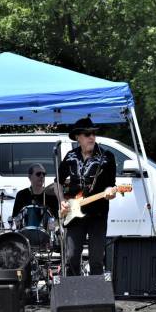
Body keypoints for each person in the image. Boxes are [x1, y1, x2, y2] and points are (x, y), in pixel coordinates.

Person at [56, 117, 116, 276]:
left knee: (96, 259)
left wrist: (110, 193)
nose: (91, 137)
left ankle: (96, 297)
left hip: (98, 214)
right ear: (78, 137)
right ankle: (73, 295)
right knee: (71, 258)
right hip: (74, 214)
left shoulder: (107, 157)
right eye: (87, 134)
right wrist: (62, 201)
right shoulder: (70, 156)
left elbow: (111, 185)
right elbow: (58, 183)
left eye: (93, 134)